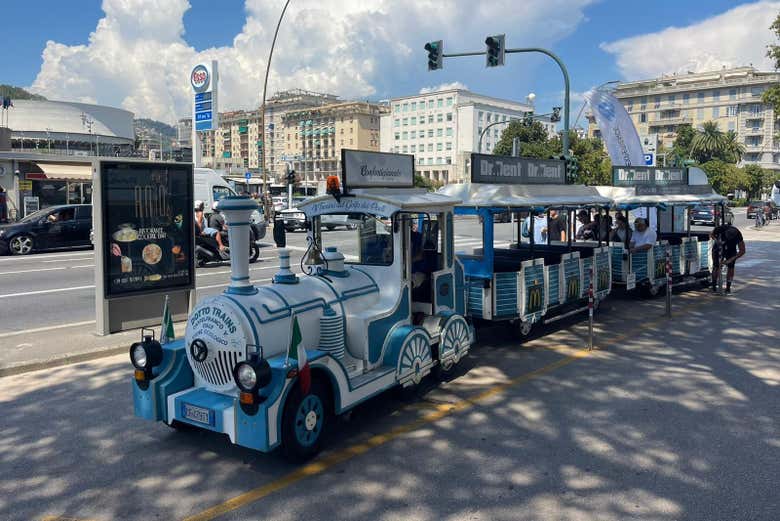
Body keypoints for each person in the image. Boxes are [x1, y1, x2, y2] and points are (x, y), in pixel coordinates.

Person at [710, 223, 746, 294]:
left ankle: (728, 288)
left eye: (730, 238)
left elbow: (742, 251)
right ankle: (714, 286)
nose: (728, 238)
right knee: (716, 266)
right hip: (718, 246)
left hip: (731, 249)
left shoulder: (738, 235)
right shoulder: (720, 229)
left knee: (731, 267)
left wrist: (730, 260)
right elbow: (711, 234)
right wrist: (717, 241)